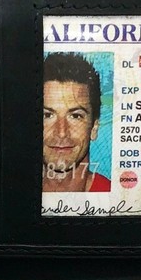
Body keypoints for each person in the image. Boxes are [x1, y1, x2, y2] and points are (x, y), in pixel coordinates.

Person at [42, 52, 110, 193]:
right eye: (47, 115)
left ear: (94, 127)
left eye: (75, 116)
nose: (61, 132)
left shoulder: (115, 195)